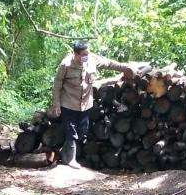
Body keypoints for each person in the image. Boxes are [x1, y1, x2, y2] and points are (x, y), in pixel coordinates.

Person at [49, 40, 134, 168]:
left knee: (82, 131)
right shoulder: (65, 65)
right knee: (71, 131)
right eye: (83, 54)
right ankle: (70, 159)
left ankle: (64, 153)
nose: (86, 56)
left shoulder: (92, 59)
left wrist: (124, 68)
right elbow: (57, 85)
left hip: (85, 103)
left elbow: (109, 63)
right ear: (76, 54)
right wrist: (56, 104)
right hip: (69, 103)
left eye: (87, 53)